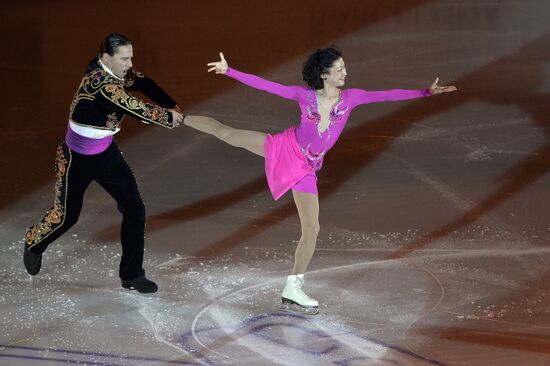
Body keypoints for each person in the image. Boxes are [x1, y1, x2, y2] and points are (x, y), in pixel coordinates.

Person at [184, 47, 456, 314]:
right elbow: (267, 86)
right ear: (324, 74)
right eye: (339, 69)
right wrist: (229, 71)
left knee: (311, 228)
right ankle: (179, 118)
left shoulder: (351, 98)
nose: (345, 73)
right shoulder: (304, 96)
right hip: (286, 148)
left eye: (344, 68)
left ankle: (293, 286)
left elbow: (386, 95)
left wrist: (425, 92)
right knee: (228, 135)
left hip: (307, 167)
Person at [24, 33, 184, 293]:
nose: (129, 64)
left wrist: (171, 104)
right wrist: (168, 117)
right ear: (106, 58)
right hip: (75, 157)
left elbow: (144, 83)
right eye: (124, 59)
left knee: (134, 208)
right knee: (67, 216)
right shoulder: (100, 83)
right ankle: (34, 241)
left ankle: (132, 274)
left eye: (131, 57)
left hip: (106, 154)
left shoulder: (119, 73)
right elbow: (133, 105)